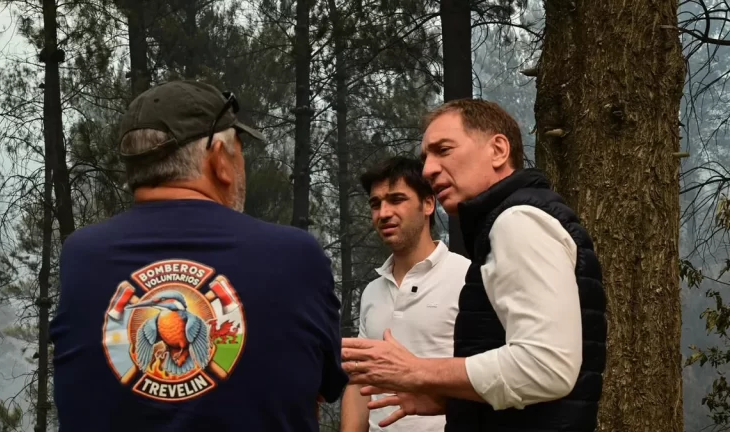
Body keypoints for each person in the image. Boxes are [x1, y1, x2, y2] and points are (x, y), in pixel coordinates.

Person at [50, 80, 348, 432]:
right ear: (220, 159)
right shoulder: (296, 257)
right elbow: (324, 387)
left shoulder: (81, 257)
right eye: (239, 152)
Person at [341, 99, 607, 431]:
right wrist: (453, 401)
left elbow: (546, 366)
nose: (428, 170)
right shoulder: (511, 222)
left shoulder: (517, 221)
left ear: (498, 150)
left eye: (443, 150)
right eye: (426, 158)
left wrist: (418, 372)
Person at [340, 156, 470, 432]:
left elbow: (490, 378)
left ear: (428, 204)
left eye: (396, 199)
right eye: (375, 204)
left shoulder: (467, 278)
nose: (383, 213)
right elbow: (360, 382)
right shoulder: (372, 292)